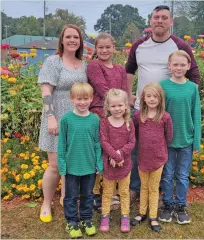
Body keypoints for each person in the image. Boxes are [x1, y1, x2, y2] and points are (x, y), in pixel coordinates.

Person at [125, 5, 200, 201]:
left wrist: (187, 96)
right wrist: (128, 95)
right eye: (156, 17)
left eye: (164, 17)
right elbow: (129, 70)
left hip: (165, 111)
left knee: (159, 150)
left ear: (171, 22)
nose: (159, 20)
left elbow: (194, 75)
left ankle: (156, 190)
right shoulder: (139, 46)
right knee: (137, 149)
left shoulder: (180, 46)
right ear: (150, 21)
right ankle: (135, 188)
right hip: (141, 109)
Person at [38, 24, 87, 223]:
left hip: (77, 119)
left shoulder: (82, 64)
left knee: (72, 163)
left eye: (76, 37)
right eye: (68, 36)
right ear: (62, 39)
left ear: (80, 41)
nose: (72, 40)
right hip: (56, 117)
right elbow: (46, 92)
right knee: (55, 165)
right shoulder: (53, 62)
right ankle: (46, 202)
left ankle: (67, 198)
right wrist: (51, 116)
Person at [159, 50, 201, 224]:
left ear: (188, 66)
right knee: (168, 174)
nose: (178, 67)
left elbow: (196, 115)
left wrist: (196, 141)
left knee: (182, 175)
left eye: (182, 64)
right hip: (167, 140)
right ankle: (167, 205)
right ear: (169, 66)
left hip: (186, 139)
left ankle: (181, 206)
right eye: (175, 64)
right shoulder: (162, 86)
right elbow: (158, 113)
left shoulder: (192, 88)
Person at [87, 33, 128, 211]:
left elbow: (125, 91)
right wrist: (113, 107)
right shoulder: (94, 65)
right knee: (101, 151)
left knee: (118, 149)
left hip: (118, 113)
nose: (104, 50)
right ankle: (96, 192)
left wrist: (122, 110)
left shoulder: (120, 69)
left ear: (114, 47)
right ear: (96, 49)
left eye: (108, 47)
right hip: (100, 112)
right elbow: (102, 88)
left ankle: (115, 191)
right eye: (100, 47)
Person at [57, 82, 103, 238]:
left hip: (89, 166)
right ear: (72, 99)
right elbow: (62, 143)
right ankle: (72, 221)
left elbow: (97, 142)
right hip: (71, 166)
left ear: (91, 99)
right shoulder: (66, 119)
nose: (83, 102)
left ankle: (86, 219)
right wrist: (62, 165)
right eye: (79, 99)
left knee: (88, 195)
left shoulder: (94, 119)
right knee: (70, 196)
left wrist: (99, 162)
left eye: (86, 98)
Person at [130, 83, 173, 232]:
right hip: (143, 158)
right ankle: (142, 212)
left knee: (154, 188)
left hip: (158, 158)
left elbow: (169, 136)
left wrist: (159, 149)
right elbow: (134, 134)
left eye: (155, 96)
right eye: (148, 96)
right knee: (144, 186)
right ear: (143, 98)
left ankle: (153, 216)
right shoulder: (138, 116)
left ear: (160, 99)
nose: (152, 99)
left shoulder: (165, 117)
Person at [99, 89, 135, 233]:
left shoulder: (129, 123)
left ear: (126, 105)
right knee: (107, 192)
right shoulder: (104, 123)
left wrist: (119, 155)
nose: (117, 109)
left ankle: (125, 216)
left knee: (124, 192)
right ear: (107, 107)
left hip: (124, 164)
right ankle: (105, 216)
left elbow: (132, 142)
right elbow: (104, 142)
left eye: (120, 105)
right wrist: (113, 156)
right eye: (113, 106)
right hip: (109, 164)